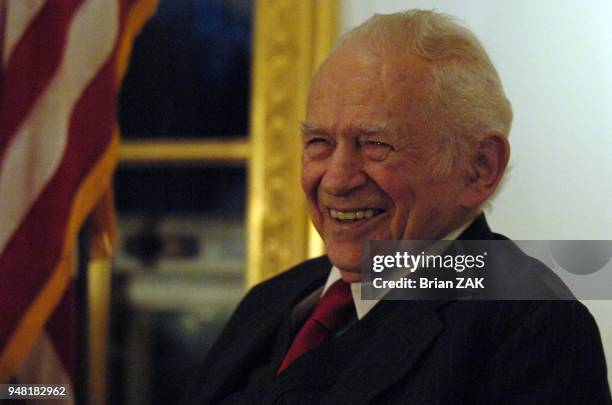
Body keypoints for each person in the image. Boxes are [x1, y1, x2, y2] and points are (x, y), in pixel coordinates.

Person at [194, 10, 610, 404]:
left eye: (376, 145)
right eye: (319, 143)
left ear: (480, 168)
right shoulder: (274, 299)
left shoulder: (531, 325)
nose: (337, 180)